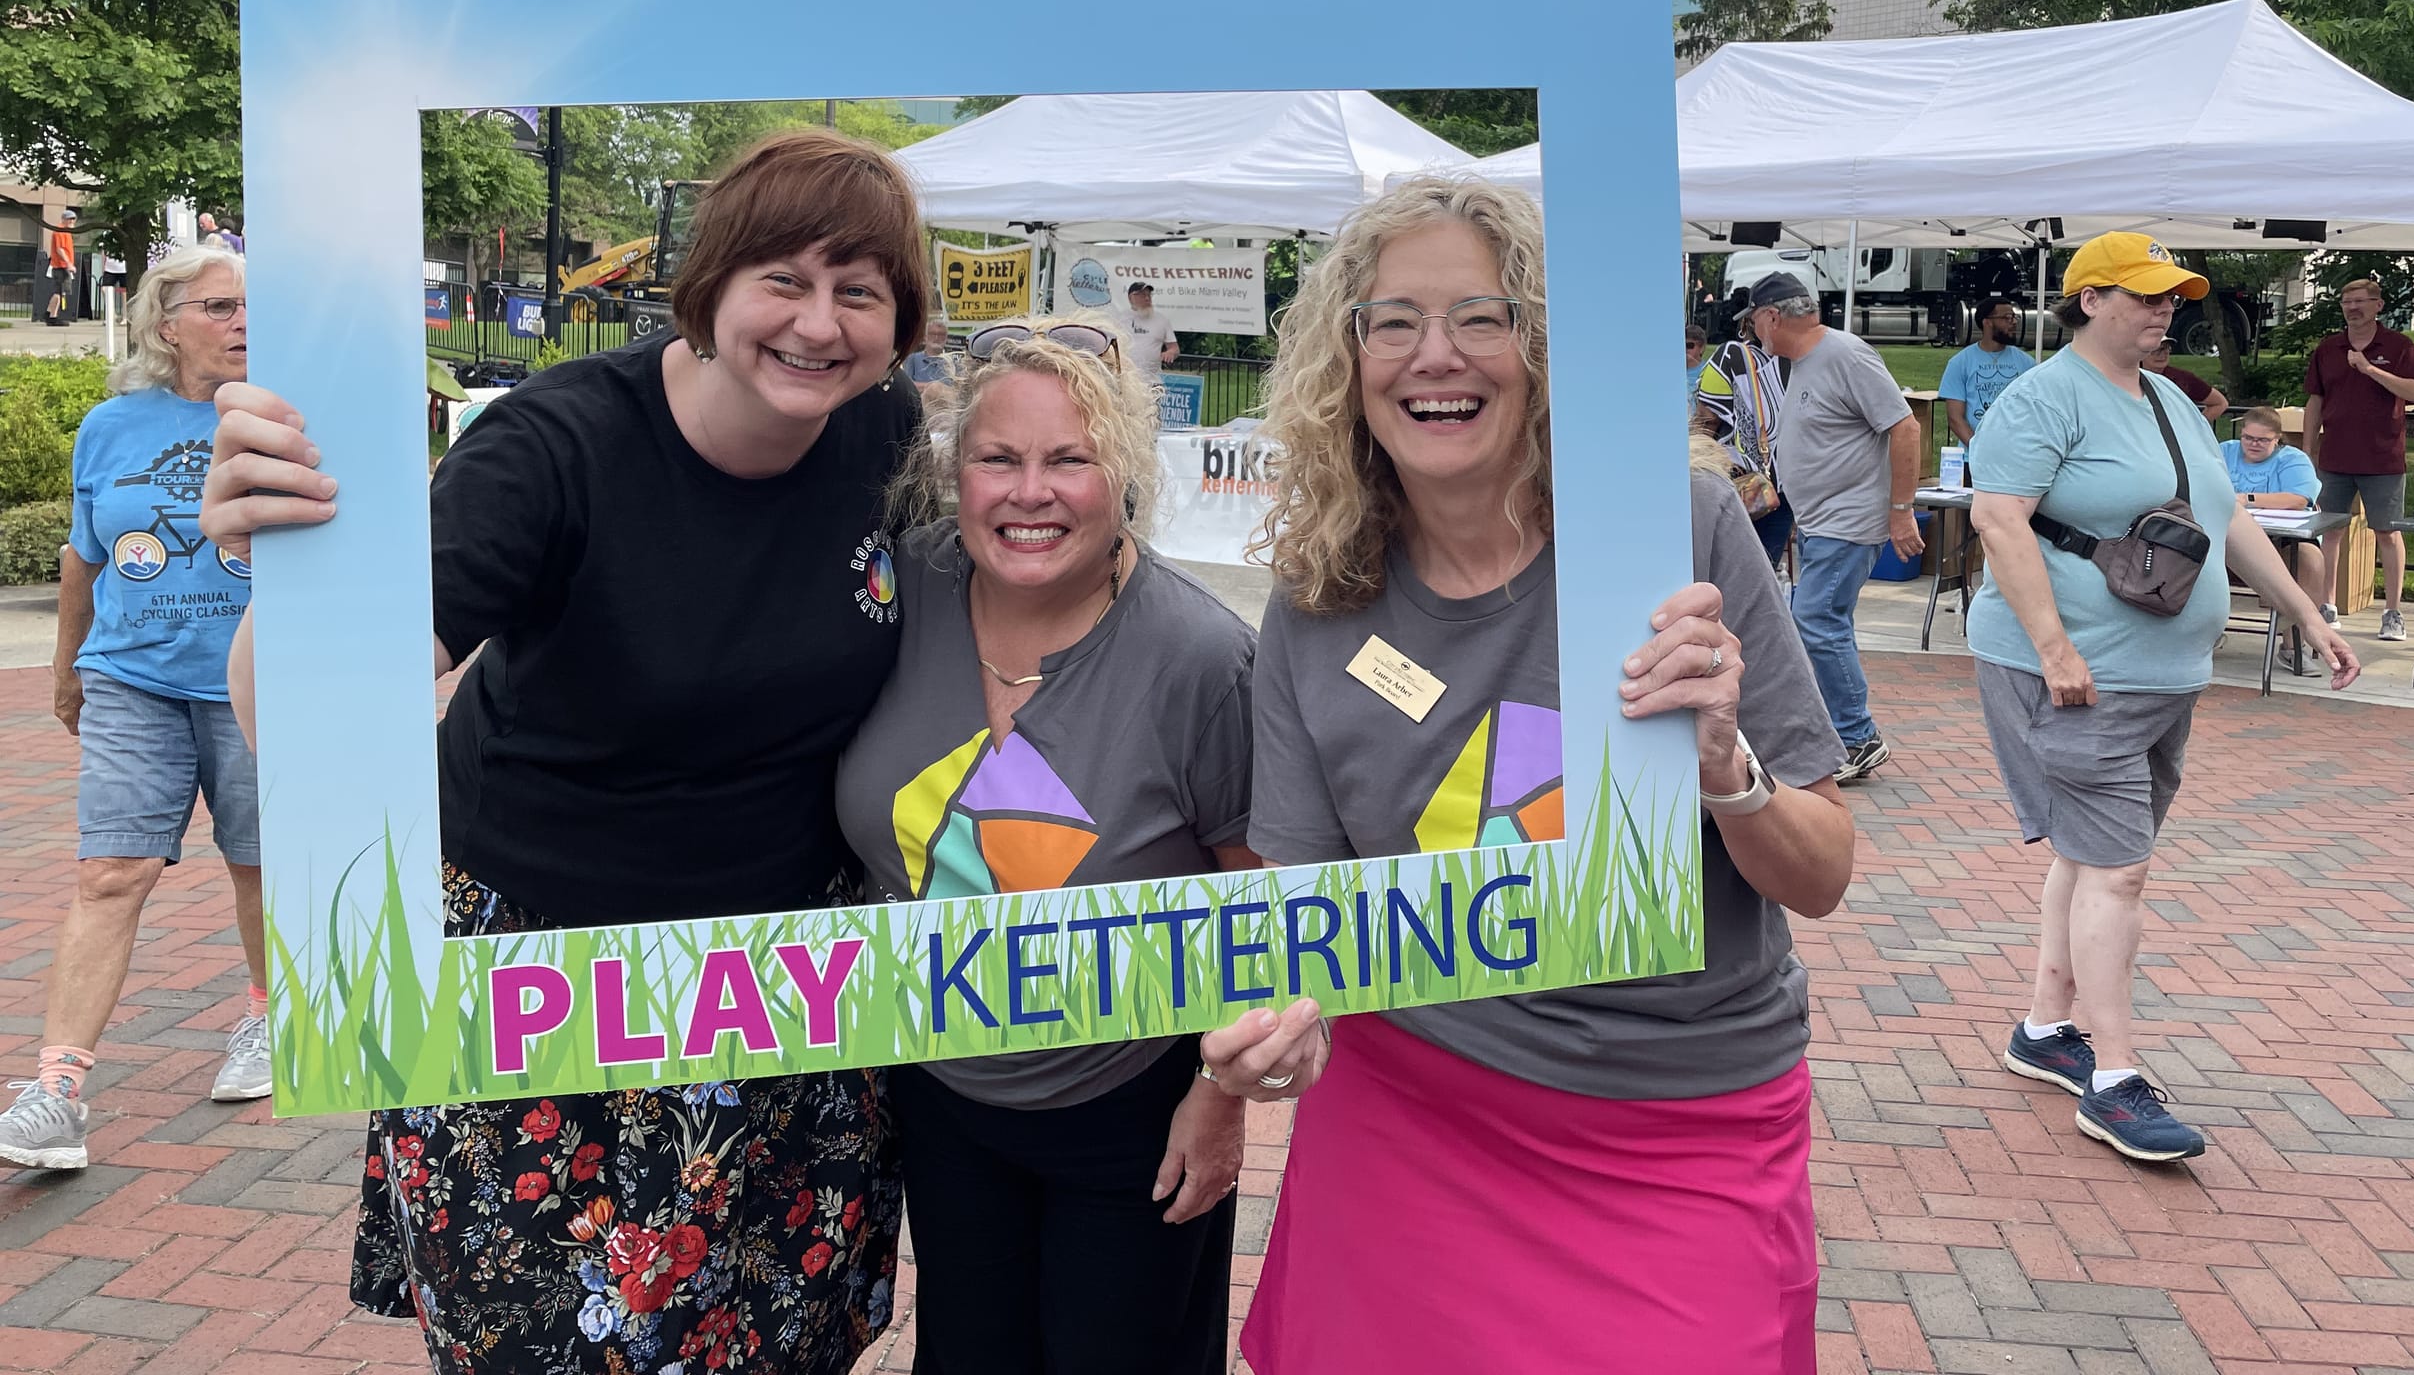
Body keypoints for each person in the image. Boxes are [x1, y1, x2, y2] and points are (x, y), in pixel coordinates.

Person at [203, 131, 922, 1372]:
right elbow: (328, 703)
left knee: (781, 1341)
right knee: (546, 1348)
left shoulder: (882, 433)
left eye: (859, 290)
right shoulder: (558, 446)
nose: (819, 324)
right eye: (783, 281)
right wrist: (284, 566)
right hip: (543, 977)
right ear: (708, 286)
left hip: (782, 982)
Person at [1221, 177, 1855, 1373]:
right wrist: (1272, 1032)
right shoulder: (1316, 600)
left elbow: (1820, 877)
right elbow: (1297, 917)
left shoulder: (1676, 531)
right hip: (1409, 1102)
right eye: (1392, 320)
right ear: (1344, 360)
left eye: (1482, 316)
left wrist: (1728, 770)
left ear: (1544, 347)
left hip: (1676, 1121)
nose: (1435, 355)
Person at [835, 323, 1253, 1374]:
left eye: (1069, 460)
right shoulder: (898, 589)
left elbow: (1255, 891)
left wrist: (1220, 1097)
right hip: (938, 1092)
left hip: (1130, 1104)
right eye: (999, 459)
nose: (1033, 493)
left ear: (1122, 476)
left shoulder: (1201, 657)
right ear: (955, 472)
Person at [1965, 234, 2358, 1165]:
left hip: (2159, 675)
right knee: (2118, 869)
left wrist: (2305, 613)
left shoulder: (2169, 398)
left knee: (2095, 852)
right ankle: (2115, 1077)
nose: (2163, 310)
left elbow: (2222, 517)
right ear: (2089, 298)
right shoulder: (2044, 396)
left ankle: (2044, 1028)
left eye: (2172, 296)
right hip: (2077, 673)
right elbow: (1997, 519)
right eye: (2144, 296)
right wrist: (2054, 648)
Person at [0, 248, 259, 1173]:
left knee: (258, 864)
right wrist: (66, 671)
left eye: (251, 306)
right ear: (165, 323)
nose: (241, 320)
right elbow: (85, 556)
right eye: (220, 305)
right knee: (110, 873)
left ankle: (268, 1018)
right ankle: (56, 1093)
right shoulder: (111, 425)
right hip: (132, 679)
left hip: (252, 680)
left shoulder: (285, 413)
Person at [1752, 269, 1922, 782]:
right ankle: (1840, 732)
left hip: (1847, 524)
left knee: (1815, 622)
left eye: (1755, 322)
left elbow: (1906, 427)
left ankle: (1857, 737)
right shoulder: (1804, 363)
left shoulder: (1844, 354)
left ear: (1772, 317)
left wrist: (1901, 510)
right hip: (1822, 522)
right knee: (1822, 623)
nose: (1755, 334)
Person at [2304, 275, 2414, 640]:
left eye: (2360, 301)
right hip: (2335, 457)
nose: (2353, 308)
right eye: (2347, 301)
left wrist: (2372, 369)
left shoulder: (2399, 346)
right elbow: (2315, 400)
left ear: (2378, 305)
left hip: (2383, 457)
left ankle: (2393, 612)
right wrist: (2309, 449)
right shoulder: (2328, 348)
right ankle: (2326, 605)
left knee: (2387, 533)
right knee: (2329, 532)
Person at [1697, 308, 1792, 566]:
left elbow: (1707, 419)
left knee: (1729, 571)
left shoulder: (1730, 355)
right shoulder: (1797, 359)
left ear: (1746, 321)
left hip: (1741, 483)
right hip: (1785, 484)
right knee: (1764, 570)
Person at [2223, 406, 2333, 624]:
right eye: (2248, 438)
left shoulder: (2293, 459)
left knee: (2309, 560)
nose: (2253, 444)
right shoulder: (2225, 451)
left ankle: (2294, 646)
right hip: (2227, 534)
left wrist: (2248, 499)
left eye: (2262, 440)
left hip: (2283, 538)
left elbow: (2299, 499)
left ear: (2277, 439)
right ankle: (2204, 635)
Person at [1939, 298, 2037, 444]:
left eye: (2014, 317)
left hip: (2015, 456)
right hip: (1972, 459)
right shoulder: (1960, 363)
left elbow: (2035, 411)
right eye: (2007, 318)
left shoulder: (2027, 363)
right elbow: (1955, 418)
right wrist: (1978, 449)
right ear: (1987, 322)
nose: (2014, 322)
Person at [2141, 341, 2229, 423]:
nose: (2163, 354)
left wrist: (2195, 427)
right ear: (2141, 353)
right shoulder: (2130, 377)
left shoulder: (2182, 378)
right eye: (2156, 350)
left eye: (2167, 348)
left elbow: (2220, 403)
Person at [1119, 280, 1178, 382]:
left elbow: (1174, 348)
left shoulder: (1162, 320)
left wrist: (1170, 353)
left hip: (1152, 381)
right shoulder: (1119, 319)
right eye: (1142, 295)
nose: (1147, 298)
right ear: (1131, 298)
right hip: (1125, 380)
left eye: (1148, 295)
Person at [905, 311, 958, 412]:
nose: (937, 338)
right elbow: (907, 386)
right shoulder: (913, 359)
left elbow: (958, 390)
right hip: (918, 412)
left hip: (946, 414)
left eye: (941, 334)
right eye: (933, 334)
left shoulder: (954, 362)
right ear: (925, 336)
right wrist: (937, 388)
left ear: (946, 337)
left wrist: (923, 387)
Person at [42, 205, 79, 326]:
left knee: (59, 292)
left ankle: (48, 314)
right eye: (70, 219)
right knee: (58, 292)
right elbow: (60, 249)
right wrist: (68, 264)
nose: (72, 221)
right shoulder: (60, 231)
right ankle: (53, 317)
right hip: (60, 266)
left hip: (62, 266)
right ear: (63, 219)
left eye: (73, 219)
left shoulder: (66, 232)